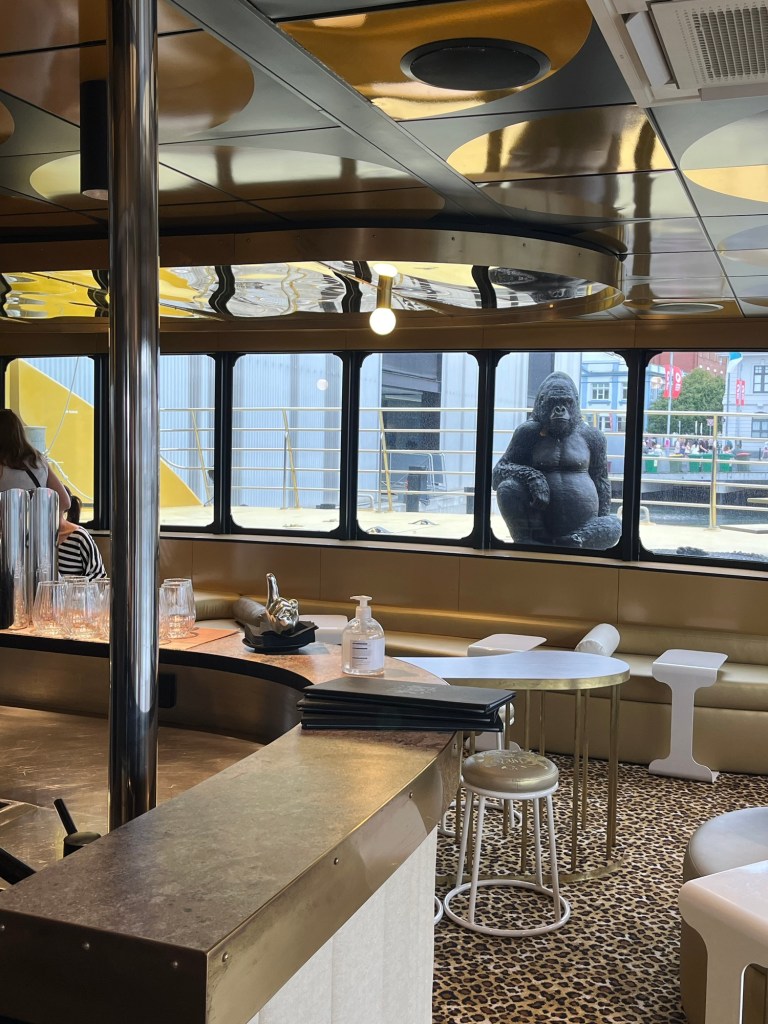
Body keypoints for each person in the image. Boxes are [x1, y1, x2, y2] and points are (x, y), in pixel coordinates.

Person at [0, 409, 71, 512]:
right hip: (38, 521)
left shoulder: (2, 465)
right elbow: (65, 502)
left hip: (8, 521)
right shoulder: (39, 460)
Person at [57, 494, 107, 580]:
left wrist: (69, 585)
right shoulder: (36, 538)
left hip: (74, 589)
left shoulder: (79, 536)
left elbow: (99, 575)